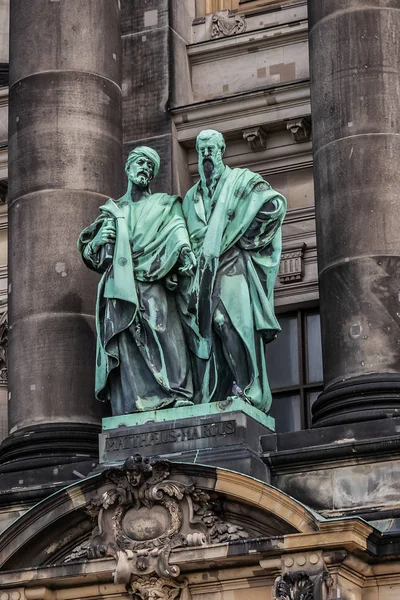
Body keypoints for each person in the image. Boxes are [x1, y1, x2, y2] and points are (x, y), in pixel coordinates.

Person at [78, 147, 195, 415]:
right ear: (128, 168)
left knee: (163, 330)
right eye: (140, 163)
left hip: (153, 277)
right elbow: (92, 254)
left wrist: (185, 251)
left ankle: (177, 392)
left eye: (150, 166)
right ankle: (134, 402)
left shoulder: (164, 204)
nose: (144, 169)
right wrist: (97, 242)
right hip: (119, 285)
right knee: (127, 344)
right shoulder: (112, 210)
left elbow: (177, 230)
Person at [177, 129, 286, 414]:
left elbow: (273, 204)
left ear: (222, 150)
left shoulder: (241, 181)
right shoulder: (190, 197)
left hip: (231, 266)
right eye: (201, 150)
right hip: (202, 273)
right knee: (209, 334)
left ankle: (249, 388)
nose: (207, 155)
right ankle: (218, 392)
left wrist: (240, 232)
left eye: (212, 149)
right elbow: (186, 235)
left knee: (232, 324)